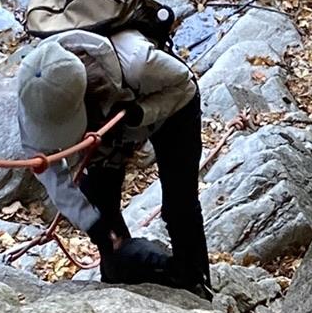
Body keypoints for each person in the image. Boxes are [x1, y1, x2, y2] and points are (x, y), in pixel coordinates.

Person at [15, 23, 210, 296]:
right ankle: (118, 277)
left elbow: (185, 85)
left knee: (179, 206)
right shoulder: (36, 95)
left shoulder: (138, 62)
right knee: (100, 207)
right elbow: (45, 165)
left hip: (169, 108)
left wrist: (141, 113)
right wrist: (90, 222)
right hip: (105, 123)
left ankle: (196, 280)